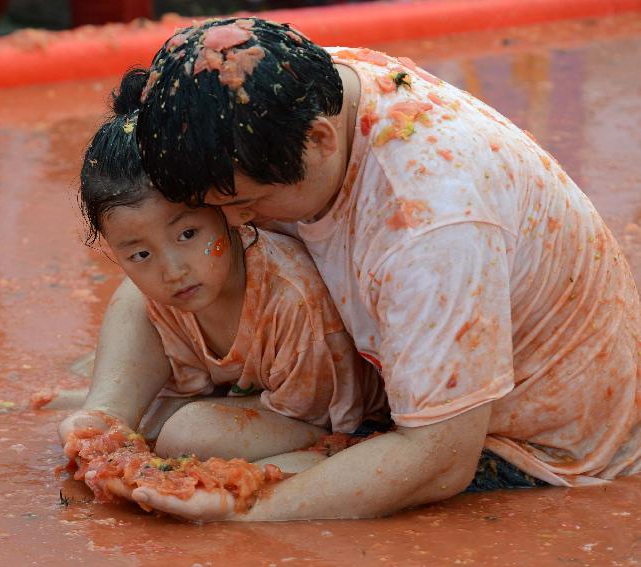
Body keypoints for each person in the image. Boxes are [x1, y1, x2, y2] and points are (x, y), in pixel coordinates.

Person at [61, 17, 641, 522]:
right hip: (405, 376)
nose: (234, 224)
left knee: (195, 445)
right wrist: (106, 415)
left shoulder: (428, 228)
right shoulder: (298, 85)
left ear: (318, 141)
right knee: (172, 412)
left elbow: (440, 457)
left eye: (244, 204)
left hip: (532, 443)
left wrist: (246, 511)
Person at [67, 76, 387, 471]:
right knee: (131, 424)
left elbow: (333, 420)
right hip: (256, 397)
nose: (173, 270)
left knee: (184, 435)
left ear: (227, 211)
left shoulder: (292, 298)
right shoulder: (166, 293)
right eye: (139, 254)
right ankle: (106, 407)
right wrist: (102, 419)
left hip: (324, 413)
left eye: (187, 234)